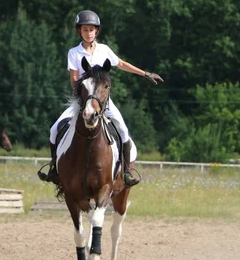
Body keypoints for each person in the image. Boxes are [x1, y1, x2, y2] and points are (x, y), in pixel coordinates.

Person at [38, 10, 164, 187]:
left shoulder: (104, 49)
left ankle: (127, 172)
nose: (88, 33)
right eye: (84, 30)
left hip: (104, 102)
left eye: (91, 29)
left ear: (96, 31)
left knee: (123, 131)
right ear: (79, 31)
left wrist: (145, 73)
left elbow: (120, 64)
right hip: (82, 101)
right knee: (53, 130)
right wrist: (85, 91)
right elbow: (74, 79)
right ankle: (54, 170)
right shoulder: (74, 53)